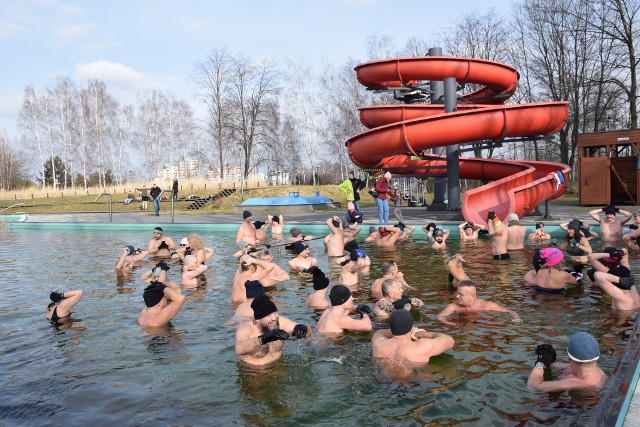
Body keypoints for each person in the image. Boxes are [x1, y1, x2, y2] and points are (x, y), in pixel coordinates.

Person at [234, 295, 311, 367]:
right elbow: (238, 349)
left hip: (278, 369)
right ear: (258, 319)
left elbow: (309, 333)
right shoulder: (246, 329)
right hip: (253, 373)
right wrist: (263, 339)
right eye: (268, 315)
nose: (274, 318)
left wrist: (304, 328)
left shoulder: (279, 323)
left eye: (275, 313)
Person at [372, 309, 455, 369]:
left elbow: (380, 331)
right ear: (411, 328)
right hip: (413, 386)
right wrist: (421, 334)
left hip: (386, 383)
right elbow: (450, 341)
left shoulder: (379, 343)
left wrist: (398, 329)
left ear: (391, 327)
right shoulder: (422, 346)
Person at [527, 332, 606, 392]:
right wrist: (548, 361)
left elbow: (532, 385)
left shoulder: (576, 383)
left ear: (569, 358)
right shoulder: (596, 373)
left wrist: (540, 362)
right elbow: (568, 366)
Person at [437, 280, 521, 324]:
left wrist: (516, 318)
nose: (457, 296)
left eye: (461, 294)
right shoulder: (454, 306)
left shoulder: (486, 306)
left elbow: (510, 312)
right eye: (457, 293)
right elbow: (440, 316)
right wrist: (453, 324)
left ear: (472, 296)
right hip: (461, 324)